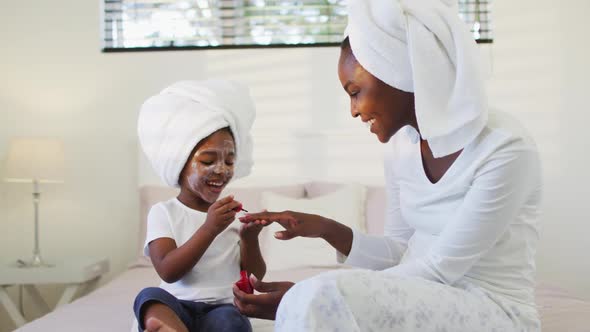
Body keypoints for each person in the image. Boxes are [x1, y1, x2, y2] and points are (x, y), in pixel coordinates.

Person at [233, 0, 542, 331]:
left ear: (399, 72)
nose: (353, 110)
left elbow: (440, 268)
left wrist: (306, 296)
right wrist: (326, 229)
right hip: (419, 298)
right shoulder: (401, 147)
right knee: (320, 298)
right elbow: (399, 253)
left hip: (492, 309)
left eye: (356, 92)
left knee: (321, 295)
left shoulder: (505, 148)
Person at [134, 80, 266, 332]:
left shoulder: (232, 216)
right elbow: (169, 271)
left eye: (229, 161)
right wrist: (209, 228)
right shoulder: (164, 213)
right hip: (177, 305)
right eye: (208, 160)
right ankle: (170, 327)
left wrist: (250, 239)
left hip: (222, 307)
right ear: (179, 163)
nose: (221, 169)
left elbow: (254, 276)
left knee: (233, 321)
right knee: (148, 297)